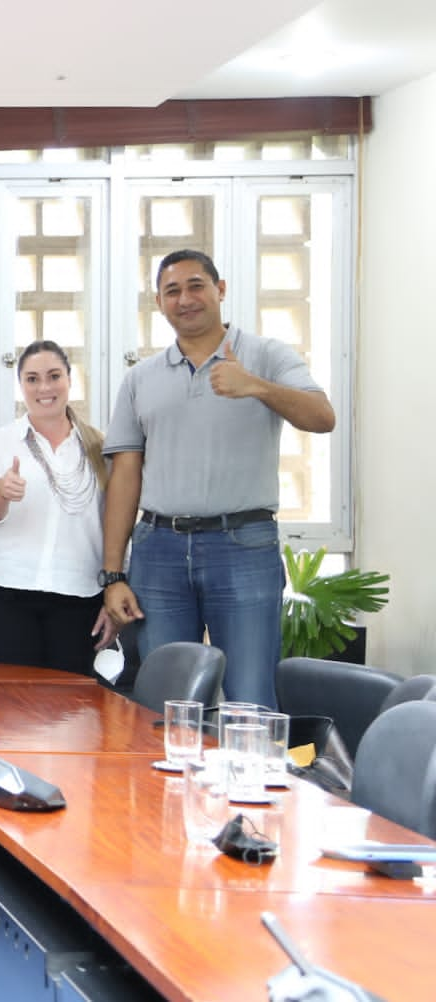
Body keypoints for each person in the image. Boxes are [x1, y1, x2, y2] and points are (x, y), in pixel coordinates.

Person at [101, 250, 336, 708]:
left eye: (196, 286)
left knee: (250, 697)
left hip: (243, 545)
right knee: (166, 701)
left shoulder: (267, 356)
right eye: (173, 291)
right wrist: (114, 573)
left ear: (220, 289)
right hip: (159, 551)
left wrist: (257, 387)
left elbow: (322, 417)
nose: (185, 299)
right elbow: (124, 478)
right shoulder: (140, 378)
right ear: (159, 301)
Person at [0, 341, 113, 675]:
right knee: (14, 706)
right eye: (32, 379)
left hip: (79, 594)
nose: (44, 387)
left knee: (70, 710)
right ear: (21, 386)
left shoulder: (99, 446)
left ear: (69, 380)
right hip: (7, 591)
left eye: (53, 376)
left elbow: (113, 525)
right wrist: (0, 490)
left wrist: (111, 590)